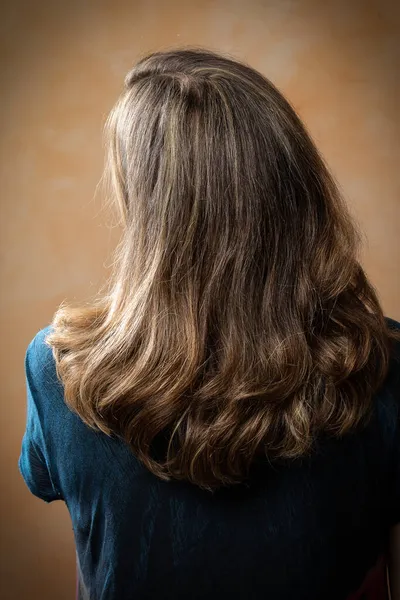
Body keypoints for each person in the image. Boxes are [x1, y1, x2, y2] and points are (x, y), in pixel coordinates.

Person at [19, 48, 400, 600]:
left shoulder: (60, 371)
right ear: (296, 186)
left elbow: (97, 569)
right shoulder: (381, 365)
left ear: (148, 209)